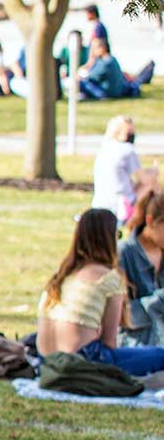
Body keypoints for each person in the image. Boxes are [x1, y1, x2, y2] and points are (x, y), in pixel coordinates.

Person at [37, 208, 164, 377]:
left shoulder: (62, 275)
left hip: (45, 361)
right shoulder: (108, 278)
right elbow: (110, 341)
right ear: (109, 239)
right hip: (83, 361)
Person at [120, 191, 164, 346]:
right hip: (135, 347)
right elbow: (120, 315)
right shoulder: (124, 254)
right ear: (150, 221)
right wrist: (158, 302)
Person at [93, 116, 143, 219]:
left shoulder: (104, 148)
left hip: (99, 203)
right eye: (129, 132)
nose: (132, 135)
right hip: (120, 207)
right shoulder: (127, 149)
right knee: (150, 187)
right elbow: (143, 178)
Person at [79, 37, 154, 100]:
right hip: (119, 90)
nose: (92, 51)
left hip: (108, 93)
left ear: (102, 48)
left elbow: (92, 77)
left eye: (94, 48)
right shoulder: (112, 59)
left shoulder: (105, 63)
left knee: (83, 82)